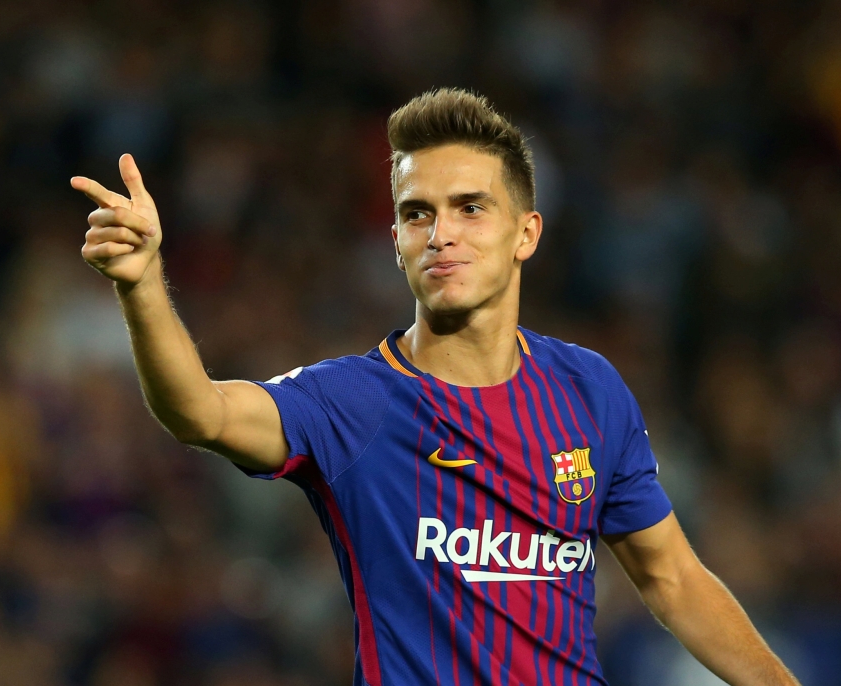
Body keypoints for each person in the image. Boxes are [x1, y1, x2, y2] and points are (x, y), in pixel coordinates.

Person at [71, 88, 799, 686]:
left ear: (526, 233)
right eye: (416, 213)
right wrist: (142, 285)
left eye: (470, 207)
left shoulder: (590, 390)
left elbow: (673, 579)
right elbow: (199, 412)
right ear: (396, 242)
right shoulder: (353, 403)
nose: (440, 233)